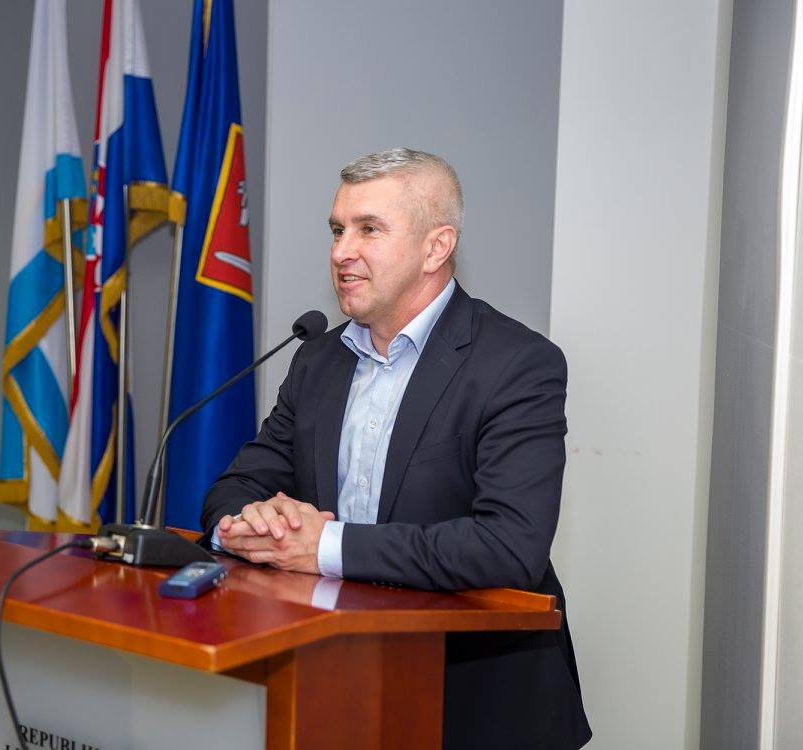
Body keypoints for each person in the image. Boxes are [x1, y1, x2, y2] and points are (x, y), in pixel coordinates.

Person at [203, 148, 591, 749]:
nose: (341, 251)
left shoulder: (517, 363)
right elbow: (238, 485)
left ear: (437, 247)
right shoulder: (317, 358)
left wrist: (322, 545)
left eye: (369, 229)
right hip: (334, 684)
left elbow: (509, 546)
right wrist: (250, 524)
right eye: (337, 229)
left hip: (475, 699)